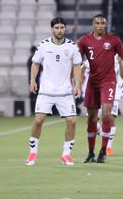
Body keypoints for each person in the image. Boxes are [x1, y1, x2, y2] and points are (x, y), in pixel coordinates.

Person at [25, 17, 82, 166]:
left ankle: (66, 155)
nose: (59, 30)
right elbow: (35, 64)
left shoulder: (72, 47)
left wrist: (78, 85)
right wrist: (32, 80)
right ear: (52, 29)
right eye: (56, 28)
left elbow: (77, 66)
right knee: (38, 120)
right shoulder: (43, 45)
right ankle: (33, 153)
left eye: (62, 27)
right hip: (46, 91)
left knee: (72, 121)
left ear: (65, 29)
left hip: (65, 92)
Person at [77, 14, 123, 164]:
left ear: (105, 25)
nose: (100, 26)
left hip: (108, 82)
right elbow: (77, 61)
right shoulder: (84, 41)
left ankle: (103, 150)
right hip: (92, 83)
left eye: (102, 23)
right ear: (93, 24)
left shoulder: (114, 40)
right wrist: (75, 82)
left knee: (107, 114)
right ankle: (90, 153)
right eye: (97, 23)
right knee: (91, 119)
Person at [82, 54, 123, 156]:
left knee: (110, 118)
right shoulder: (99, 53)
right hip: (97, 90)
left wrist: (120, 62)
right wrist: (80, 81)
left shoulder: (118, 56)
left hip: (113, 90)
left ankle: (108, 147)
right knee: (90, 121)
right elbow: (83, 66)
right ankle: (104, 135)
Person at [27, 46, 40, 115]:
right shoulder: (33, 60)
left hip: (32, 80)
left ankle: (34, 111)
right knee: (34, 96)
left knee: (34, 96)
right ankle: (34, 111)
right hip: (35, 80)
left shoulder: (30, 59)